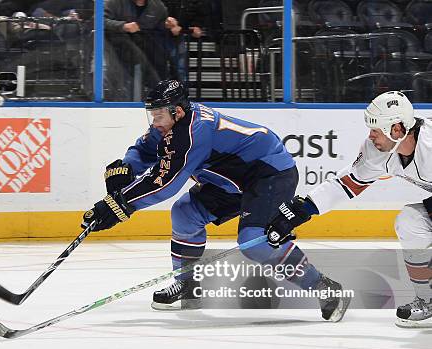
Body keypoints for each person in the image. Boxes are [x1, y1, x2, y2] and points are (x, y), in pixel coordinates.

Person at [82, 79, 351, 321]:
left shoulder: (193, 132)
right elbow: (144, 149)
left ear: (177, 111)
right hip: (232, 180)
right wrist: (126, 168)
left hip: (269, 174)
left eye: (159, 115)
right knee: (185, 214)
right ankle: (187, 284)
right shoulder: (172, 123)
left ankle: (323, 287)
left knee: (254, 242)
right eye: (152, 115)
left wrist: (118, 204)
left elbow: (165, 184)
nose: (154, 121)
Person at [266, 91, 432, 328]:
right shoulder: (377, 151)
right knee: (410, 222)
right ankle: (427, 300)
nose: (371, 135)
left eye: (376, 129)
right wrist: (301, 210)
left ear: (397, 129)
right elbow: (346, 184)